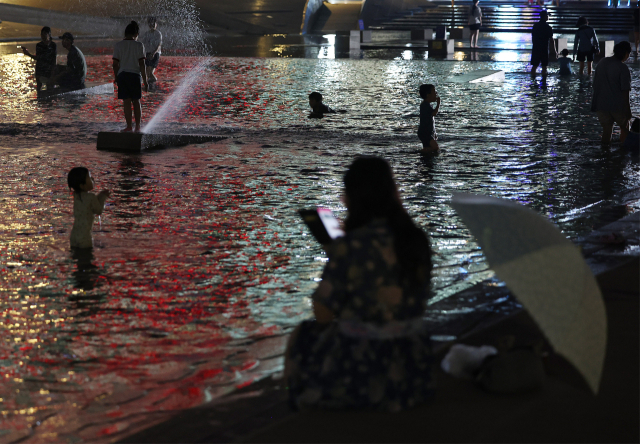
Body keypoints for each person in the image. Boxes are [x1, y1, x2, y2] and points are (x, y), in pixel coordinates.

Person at [286, 156, 434, 411]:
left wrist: (337, 256)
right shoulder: (415, 238)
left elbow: (323, 314)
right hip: (414, 366)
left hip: (363, 368)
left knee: (304, 334)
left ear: (353, 196)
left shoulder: (350, 246)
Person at [592, 41, 632, 146]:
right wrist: (627, 109)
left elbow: (595, 84)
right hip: (617, 106)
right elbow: (625, 90)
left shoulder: (602, 62)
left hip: (601, 104)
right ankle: (622, 155)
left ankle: (605, 155)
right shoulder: (623, 68)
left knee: (606, 130)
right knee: (624, 129)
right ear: (626, 53)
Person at [113, 21, 149, 132]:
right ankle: (138, 127)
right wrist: (145, 81)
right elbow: (142, 65)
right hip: (135, 76)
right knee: (136, 101)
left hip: (123, 76)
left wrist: (116, 77)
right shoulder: (139, 45)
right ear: (136, 33)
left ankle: (129, 126)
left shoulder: (118, 45)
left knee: (126, 102)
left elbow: (115, 64)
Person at [67, 167, 110, 249]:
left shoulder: (76, 196)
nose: (92, 178)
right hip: (85, 238)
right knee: (86, 259)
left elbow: (88, 206)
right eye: (89, 177)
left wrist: (99, 196)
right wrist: (103, 197)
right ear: (82, 186)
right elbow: (98, 210)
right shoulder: (91, 197)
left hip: (74, 236)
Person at [21, 26, 57, 92]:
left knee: (50, 89)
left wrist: (53, 71)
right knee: (39, 89)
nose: (43, 36)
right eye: (42, 34)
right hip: (40, 69)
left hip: (49, 69)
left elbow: (53, 60)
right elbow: (38, 58)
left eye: (45, 34)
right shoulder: (39, 45)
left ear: (49, 34)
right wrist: (28, 54)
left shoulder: (53, 45)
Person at [530, 10, 557, 77]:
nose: (548, 17)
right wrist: (554, 51)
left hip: (536, 48)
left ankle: (533, 81)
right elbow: (551, 40)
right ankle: (544, 82)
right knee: (544, 67)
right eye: (547, 16)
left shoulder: (535, 26)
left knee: (534, 66)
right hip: (544, 49)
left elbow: (533, 38)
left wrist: (535, 45)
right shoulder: (548, 28)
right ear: (545, 17)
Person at [418, 84, 440, 153]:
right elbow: (434, 113)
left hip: (426, 132)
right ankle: (419, 152)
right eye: (434, 92)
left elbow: (431, 120)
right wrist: (438, 104)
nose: (436, 93)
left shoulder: (427, 104)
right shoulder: (425, 105)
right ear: (428, 95)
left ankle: (424, 155)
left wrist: (434, 132)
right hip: (425, 133)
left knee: (429, 149)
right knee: (435, 148)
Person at [141, 17, 162, 84]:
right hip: (147, 53)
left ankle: (153, 82)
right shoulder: (146, 34)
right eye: (150, 24)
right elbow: (143, 44)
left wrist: (153, 53)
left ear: (156, 24)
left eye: (153, 24)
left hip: (155, 54)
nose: (152, 25)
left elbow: (159, 45)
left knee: (150, 72)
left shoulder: (158, 33)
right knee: (148, 73)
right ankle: (151, 84)